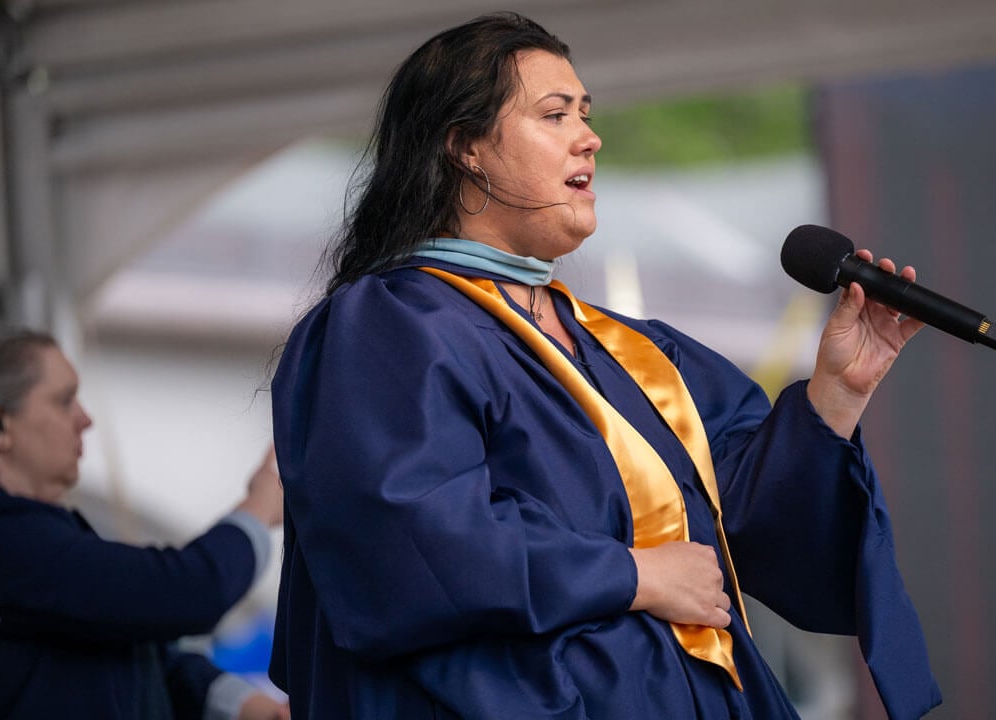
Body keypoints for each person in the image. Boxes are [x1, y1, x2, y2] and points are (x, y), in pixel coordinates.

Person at [270, 11, 942, 720]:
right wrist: (632, 574)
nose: (589, 136)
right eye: (554, 114)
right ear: (465, 147)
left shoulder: (633, 350)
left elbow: (747, 519)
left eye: (585, 114)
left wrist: (835, 393)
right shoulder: (391, 326)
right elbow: (410, 546)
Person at [0, 320, 290, 720]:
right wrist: (259, 507)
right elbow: (187, 591)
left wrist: (245, 704)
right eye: (64, 400)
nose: (85, 420)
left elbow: (132, 646)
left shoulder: (19, 547)